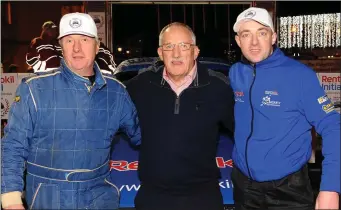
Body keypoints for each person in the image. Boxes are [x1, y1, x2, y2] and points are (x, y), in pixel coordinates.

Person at [1, 12, 141, 210]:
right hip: (48, 198)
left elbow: (142, 136)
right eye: (69, 40)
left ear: (97, 45)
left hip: (100, 198)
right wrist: (11, 200)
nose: (76, 48)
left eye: (84, 39)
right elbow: (13, 146)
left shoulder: (116, 92)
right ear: (61, 47)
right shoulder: (34, 89)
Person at [229, 7, 340, 210]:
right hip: (244, 188)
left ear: (273, 37)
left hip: (288, 191)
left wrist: (331, 188)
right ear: (238, 41)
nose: (254, 42)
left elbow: (333, 127)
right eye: (246, 34)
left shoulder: (299, 76)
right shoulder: (235, 73)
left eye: (262, 33)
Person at [126, 22, 235, 210]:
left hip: (203, 197)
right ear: (160, 53)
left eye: (184, 46)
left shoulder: (219, 88)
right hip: (153, 197)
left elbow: (246, 133)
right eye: (169, 47)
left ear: (196, 51)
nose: (176, 54)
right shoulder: (138, 87)